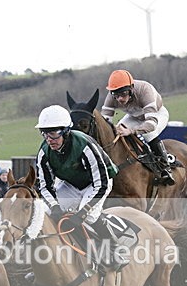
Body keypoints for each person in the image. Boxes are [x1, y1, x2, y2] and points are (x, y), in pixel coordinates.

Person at [34, 104, 126, 270]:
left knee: (88, 217)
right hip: (71, 185)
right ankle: (49, 264)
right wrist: (54, 207)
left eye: (53, 133)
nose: (49, 139)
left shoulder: (84, 145)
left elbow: (102, 184)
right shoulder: (44, 152)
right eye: (45, 133)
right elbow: (44, 186)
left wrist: (82, 213)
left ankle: (115, 249)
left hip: (97, 183)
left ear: (66, 131)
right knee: (46, 214)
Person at [101, 69, 175, 185]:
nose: (120, 99)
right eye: (116, 95)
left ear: (131, 88)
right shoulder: (111, 96)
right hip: (134, 116)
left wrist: (131, 131)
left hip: (156, 114)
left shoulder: (145, 90)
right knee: (119, 131)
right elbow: (104, 121)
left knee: (148, 134)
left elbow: (151, 123)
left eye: (124, 94)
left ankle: (165, 168)